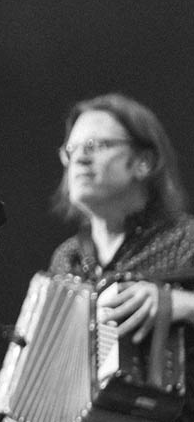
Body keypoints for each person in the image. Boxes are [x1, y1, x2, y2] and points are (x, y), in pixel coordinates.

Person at [48, 93, 194, 420]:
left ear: (143, 161)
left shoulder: (187, 239)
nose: (79, 160)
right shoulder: (67, 258)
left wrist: (181, 305)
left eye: (96, 146)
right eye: (71, 150)